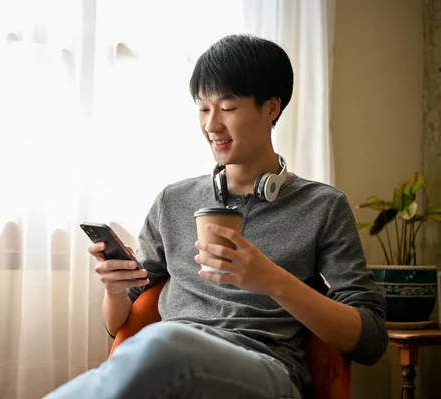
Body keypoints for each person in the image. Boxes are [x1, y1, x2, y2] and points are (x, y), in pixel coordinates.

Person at [44, 34, 388, 399]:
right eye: (203, 109)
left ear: (271, 108)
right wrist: (115, 292)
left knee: (163, 342)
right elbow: (119, 329)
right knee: (157, 346)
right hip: (169, 363)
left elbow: (370, 340)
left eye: (227, 109)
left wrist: (271, 280)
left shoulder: (322, 206)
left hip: (264, 370)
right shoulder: (173, 201)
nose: (211, 126)